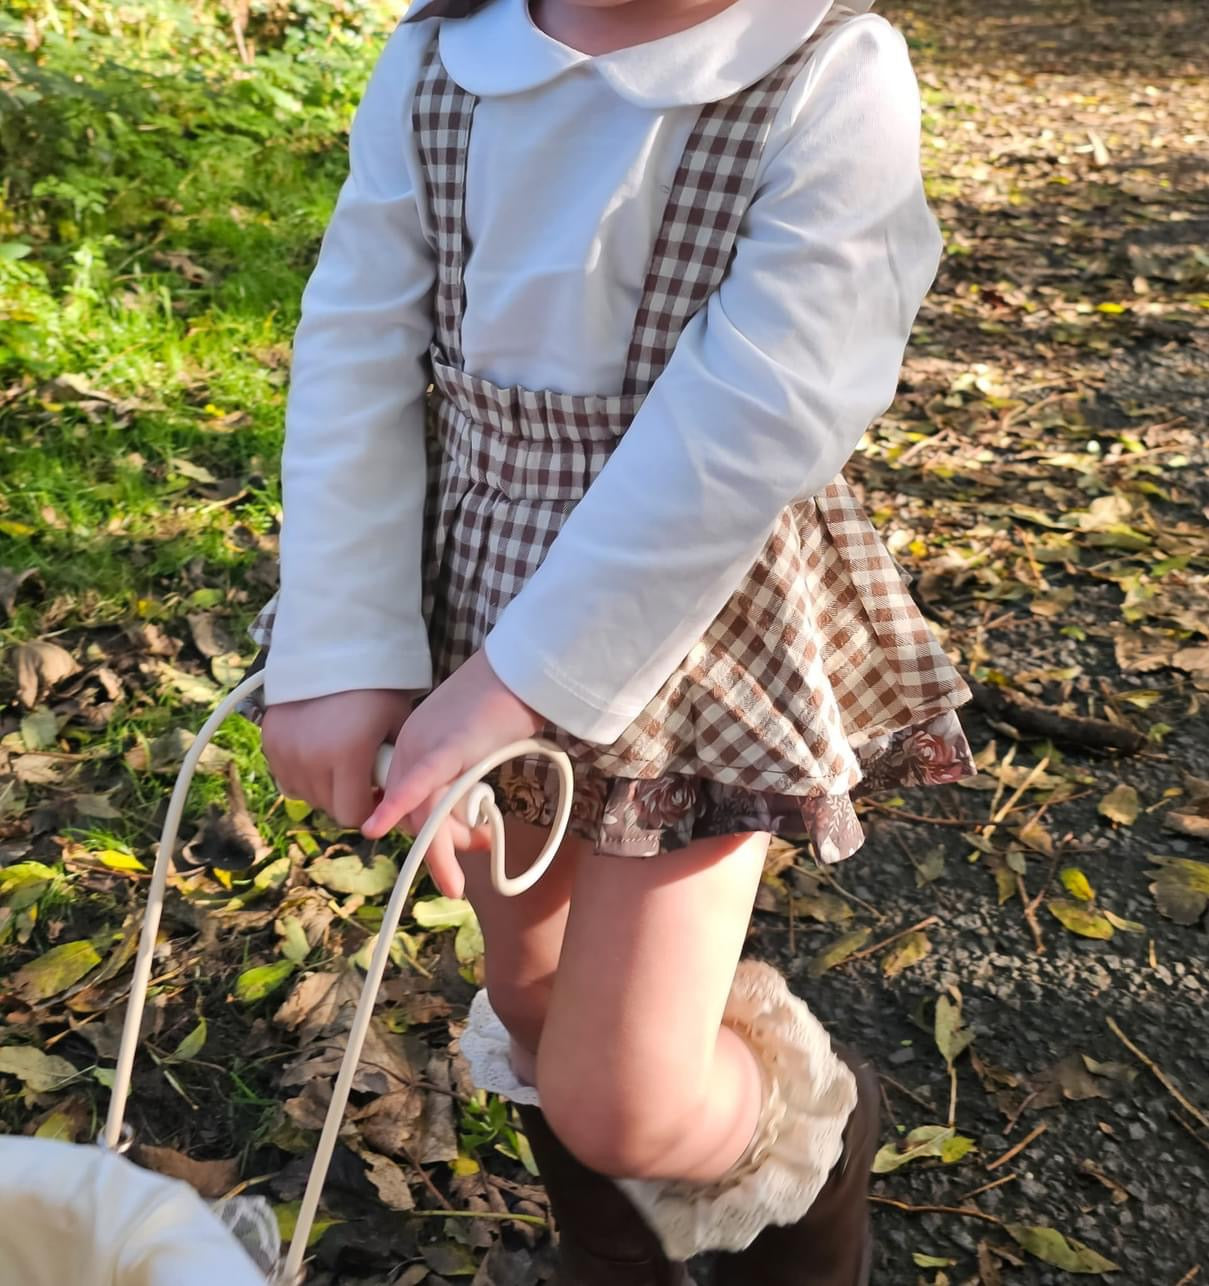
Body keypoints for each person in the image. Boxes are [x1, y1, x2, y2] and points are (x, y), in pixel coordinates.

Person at [254, 0, 974, 1280]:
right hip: (471, 582)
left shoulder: (821, 70)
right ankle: (617, 1241)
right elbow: (358, 338)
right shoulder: (439, 60)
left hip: (689, 621)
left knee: (622, 1090)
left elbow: (764, 407)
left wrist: (520, 680)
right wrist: (342, 639)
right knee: (531, 997)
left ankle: (815, 1152)